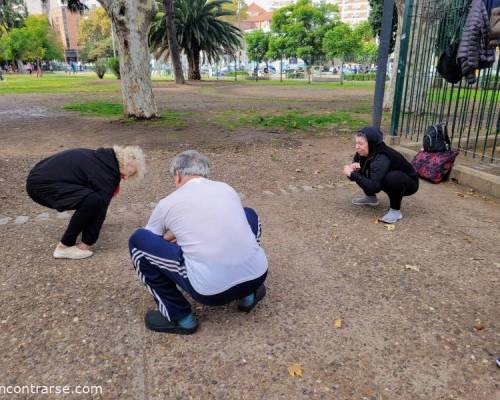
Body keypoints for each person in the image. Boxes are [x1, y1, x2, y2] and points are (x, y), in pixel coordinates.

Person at [128, 150, 268, 335]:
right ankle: (247, 295)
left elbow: (152, 239)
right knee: (248, 214)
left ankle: (180, 317)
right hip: (257, 276)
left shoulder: (167, 203)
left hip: (211, 293)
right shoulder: (226, 188)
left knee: (138, 241)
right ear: (205, 173)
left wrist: (177, 238)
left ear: (177, 174)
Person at [26, 146, 146, 259]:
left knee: (91, 199)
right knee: (93, 201)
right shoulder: (108, 174)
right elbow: (101, 207)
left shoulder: (102, 158)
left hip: (36, 177)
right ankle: (64, 247)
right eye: (126, 175)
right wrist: (87, 243)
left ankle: (72, 239)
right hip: (42, 186)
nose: (123, 179)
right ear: (125, 165)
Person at [343, 126, 419, 224]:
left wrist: (352, 174)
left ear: (371, 143)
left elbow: (374, 187)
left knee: (393, 177)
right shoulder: (362, 152)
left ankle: (395, 211)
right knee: (359, 170)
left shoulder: (382, 157)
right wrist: (353, 170)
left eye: (360, 143)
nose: (357, 146)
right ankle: (370, 198)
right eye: (356, 143)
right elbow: (356, 176)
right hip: (382, 177)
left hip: (409, 183)